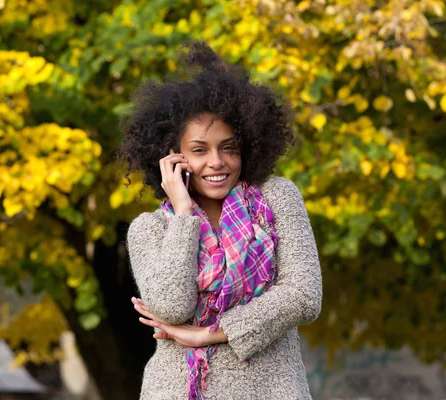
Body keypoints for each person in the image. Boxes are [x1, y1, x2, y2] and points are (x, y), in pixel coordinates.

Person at [118, 41, 322, 400]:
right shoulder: (150, 229)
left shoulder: (276, 199)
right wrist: (183, 214)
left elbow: (304, 295)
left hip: (271, 390)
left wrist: (208, 334)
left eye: (229, 147)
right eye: (199, 150)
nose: (217, 161)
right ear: (172, 157)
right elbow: (171, 306)